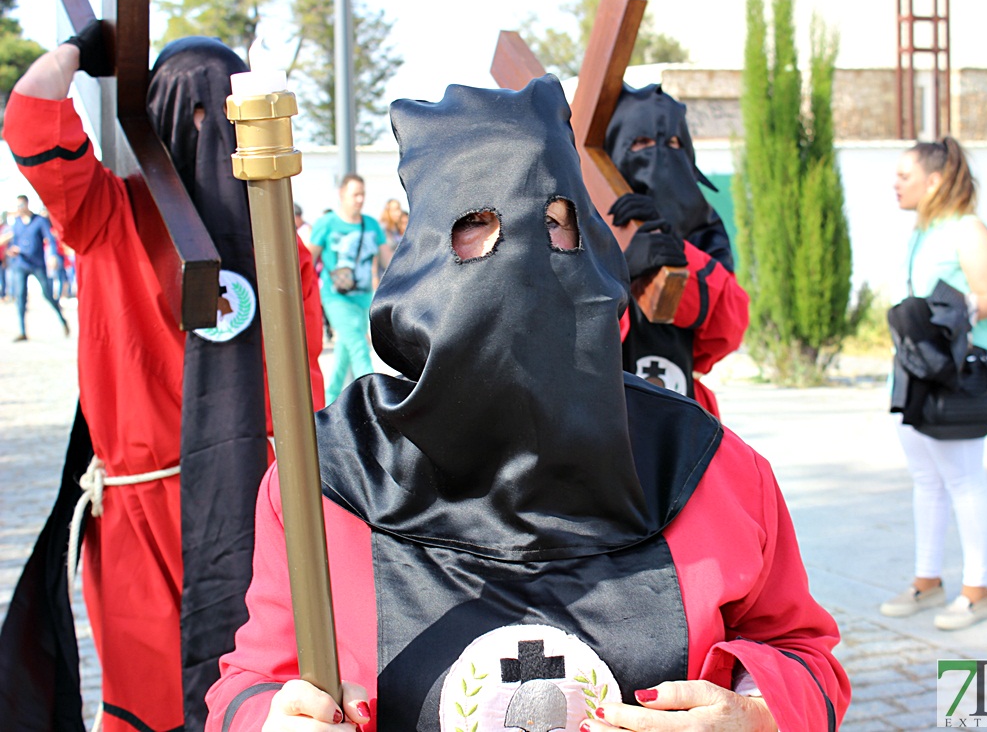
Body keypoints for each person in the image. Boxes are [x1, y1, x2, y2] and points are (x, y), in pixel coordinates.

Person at [206, 75, 849, 732]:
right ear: (427, 251)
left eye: (553, 224)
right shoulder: (334, 476)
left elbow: (806, 659)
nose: (522, 254)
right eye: (478, 225)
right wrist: (267, 720)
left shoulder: (704, 466)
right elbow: (254, 680)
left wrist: (758, 717)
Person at [0, 27, 324, 732]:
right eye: (192, 108)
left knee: (265, 697)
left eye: (222, 110)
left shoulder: (283, 243)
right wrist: (85, 53)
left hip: (259, 508)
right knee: (148, 704)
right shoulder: (108, 211)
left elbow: (306, 390)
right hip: (142, 516)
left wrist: (80, 57)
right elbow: (28, 120)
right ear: (156, 118)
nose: (206, 127)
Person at [882, 136, 987, 630]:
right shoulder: (922, 230)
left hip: (957, 375)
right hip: (917, 372)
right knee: (926, 480)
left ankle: (977, 591)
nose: (895, 183)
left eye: (904, 175)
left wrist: (940, 322)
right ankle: (927, 581)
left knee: (964, 478)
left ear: (934, 181)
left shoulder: (967, 228)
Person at [602, 84, 749, 418]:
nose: (658, 158)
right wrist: (618, 273)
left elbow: (729, 327)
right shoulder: (574, 219)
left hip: (679, 410)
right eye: (640, 143)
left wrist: (680, 256)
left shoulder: (703, 223)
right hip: (598, 417)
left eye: (672, 144)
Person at [310, 174, 388, 403]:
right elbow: (307, 259)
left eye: (362, 194)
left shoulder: (371, 224)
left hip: (364, 297)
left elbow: (388, 258)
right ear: (341, 194)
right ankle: (375, 401)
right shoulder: (327, 223)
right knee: (358, 346)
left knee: (344, 351)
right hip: (336, 297)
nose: (360, 199)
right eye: (355, 194)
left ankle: (329, 401)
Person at [4, 194, 69, 341]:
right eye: (17, 206)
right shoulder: (17, 223)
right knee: (20, 296)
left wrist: (52, 255)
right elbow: (14, 240)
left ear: (27, 205)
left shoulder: (39, 221)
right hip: (21, 264)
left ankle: (62, 319)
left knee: (47, 294)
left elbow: (50, 239)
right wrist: (11, 250)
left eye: (21, 205)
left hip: (37, 264)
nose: (19, 209)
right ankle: (22, 331)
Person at [378, 197, 405, 283]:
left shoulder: (397, 231)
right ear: (387, 211)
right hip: (383, 277)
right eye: (394, 210)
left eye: (399, 209)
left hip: (396, 275)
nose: (398, 213)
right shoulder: (381, 230)